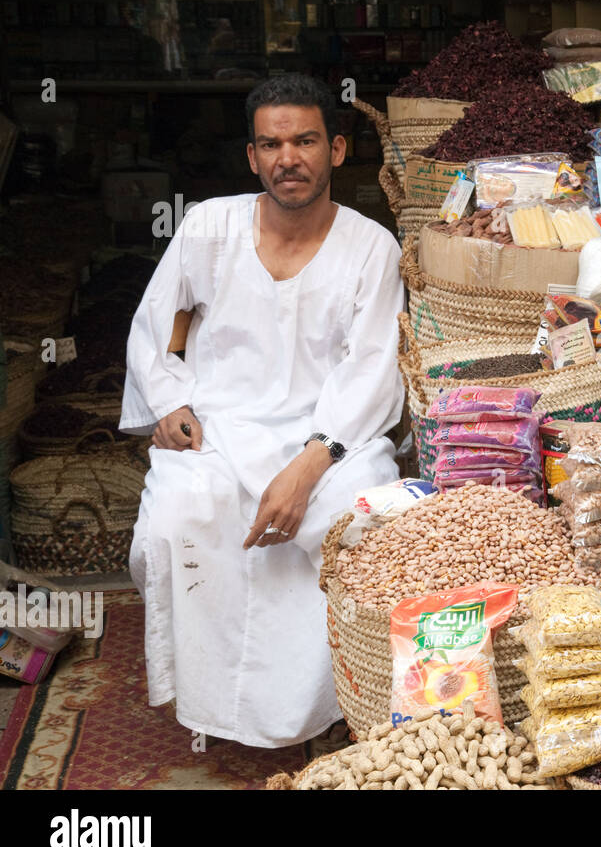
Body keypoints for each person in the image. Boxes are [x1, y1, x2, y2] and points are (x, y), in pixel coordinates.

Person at [120, 74, 404, 748]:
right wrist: (170, 401)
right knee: (171, 523)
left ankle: (335, 700)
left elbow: (371, 371)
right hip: (220, 431)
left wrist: (306, 469)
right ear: (252, 158)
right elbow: (156, 325)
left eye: (305, 140)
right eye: (271, 144)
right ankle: (214, 704)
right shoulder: (209, 226)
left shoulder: (372, 247)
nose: (288, 158)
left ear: (336, 148)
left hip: (335, 440)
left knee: (360, 522)